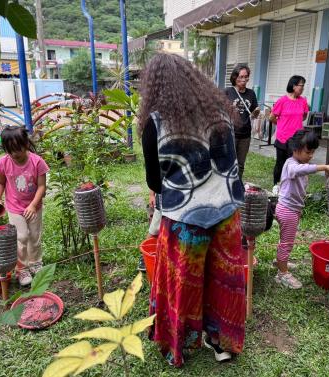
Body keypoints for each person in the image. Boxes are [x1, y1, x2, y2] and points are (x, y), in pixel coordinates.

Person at [139, 53, 246, 367]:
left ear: (155, 86)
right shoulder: (222, 112)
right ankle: (221, 344)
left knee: (183, 285)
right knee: (222, 281)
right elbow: (234, 162)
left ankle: (179, 347)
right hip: (227, 213)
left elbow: (154, 181)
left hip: (186, 220)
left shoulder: (156, 121)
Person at [274, 130, 329, 288]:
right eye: (308, 152)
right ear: (295, 149)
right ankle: (282, 274)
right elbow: (296, 171)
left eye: (313, 152)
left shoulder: (301, 164)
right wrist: (324, 166)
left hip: (292, 209)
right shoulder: (291, 164)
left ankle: (280, 262)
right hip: (287, 210)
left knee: (285, 240)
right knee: (287, 243)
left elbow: (303, 171)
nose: (311, 155)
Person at [0, 126, 49, 286]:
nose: (15, 153)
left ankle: (35, 263)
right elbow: (0, 182)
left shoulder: (37, 162)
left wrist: (33, 206)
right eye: (11, 150)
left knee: (34, 236)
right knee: (21, 237)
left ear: (26, 143)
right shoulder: (3, 162)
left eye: (18, 148)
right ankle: (21, 269)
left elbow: (42, 187)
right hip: (14, 207)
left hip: (34, 206)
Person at [270, 75, 309, 194]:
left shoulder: (303, 101)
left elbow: (304, 116)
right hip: (283, 138)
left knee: (295, 163)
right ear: (293, 86)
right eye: (301, 85)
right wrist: (281, 124)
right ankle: (276, 185)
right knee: (281, 163)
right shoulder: (282, 101)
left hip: (297, 139)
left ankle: (291, 187)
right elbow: (272, 117)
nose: (302, 88)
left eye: (303, 86)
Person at [225, 64, 260, 180]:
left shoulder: (251, 93)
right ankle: (226, 186)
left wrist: (256, 113)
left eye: (246, 77)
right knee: (229, 162)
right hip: (230, 134)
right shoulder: (227, 92)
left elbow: (253, 113)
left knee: (240, 164)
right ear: (235, 77)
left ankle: (237, 185)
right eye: (241, 77)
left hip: (245, 135)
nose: (244, 80)